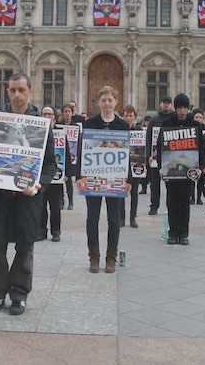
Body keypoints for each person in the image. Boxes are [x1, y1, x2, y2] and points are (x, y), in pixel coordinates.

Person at [0, 73, 56, 316]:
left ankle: (19, 295)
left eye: (21, 89)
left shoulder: (41, 125)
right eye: (12, 90)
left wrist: (39, 184)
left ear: (30, 91)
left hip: (26, 197)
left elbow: (50, 165)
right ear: (7, 92)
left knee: (24, 248)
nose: (17, 94)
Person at [77, 86, 130, 273]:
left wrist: (128, 179)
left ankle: (111, 257)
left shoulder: (122, 125)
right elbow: (81, 150)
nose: (107, 103)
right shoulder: (90, 123)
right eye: (104, 100)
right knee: (92, 217)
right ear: (98, 102)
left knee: (114, 219)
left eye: (110, 100)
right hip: (93, 176)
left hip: (115, 177)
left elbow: (126, 154)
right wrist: (78, 176)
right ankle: (94, 257)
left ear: (116, 102)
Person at [157, 93, 204, 245]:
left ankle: (183, 233)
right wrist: (160, 166)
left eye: (184, 108)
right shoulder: (167, 123)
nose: (182, 111)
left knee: (184, 202)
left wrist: (201, 167)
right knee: (171, 201)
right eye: (179, 108)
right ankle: (172, 232)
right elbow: (160, 147)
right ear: (175, 109)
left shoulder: (195, 125)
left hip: (188, 172)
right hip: (172, 171)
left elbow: (201, 148)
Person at [39, 105, 70, 242]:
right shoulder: (37, 132)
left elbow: (67, 155)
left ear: (54, 118)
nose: (46, 117)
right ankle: (41, 230)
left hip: (57, 175)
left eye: (49, 114)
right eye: (44, 114)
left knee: (55, 206)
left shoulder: (60, 133)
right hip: (41, 175)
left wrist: (67, 172)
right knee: (41, 205)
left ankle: (56, 231)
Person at [145, 96, 173, 215]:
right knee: (155, 182)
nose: (166, 105)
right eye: (164, 103)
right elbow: (149, 137)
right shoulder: (154, 119)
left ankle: (170, 206)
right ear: (160, 104)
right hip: (156, 154)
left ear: (171, 105)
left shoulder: (173, 118)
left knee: (170, 183)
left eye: (168, 103)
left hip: (170, 154)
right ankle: (154, 206)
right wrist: (148, 154)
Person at [120, 105, 141, 228]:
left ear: (134, 117)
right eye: (126, 116)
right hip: (122, 164)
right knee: (122, 190)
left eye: (130, 116)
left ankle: (133, 218)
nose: (128, 118)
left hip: (135, 164)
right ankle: (121, 218)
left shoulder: (138, 130)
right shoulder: (120, 129)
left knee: (134, 191)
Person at [58, 104, 79, 210]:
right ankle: (61, 200)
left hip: (71, 157)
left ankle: (71, 201)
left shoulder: (76, 126)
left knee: (68, 180)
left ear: (72, 113)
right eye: (65, 111)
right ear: (62, 113)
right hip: (60, 156)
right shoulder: (58, 126)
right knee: (59, 180)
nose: (67, 113)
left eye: (69, 111)